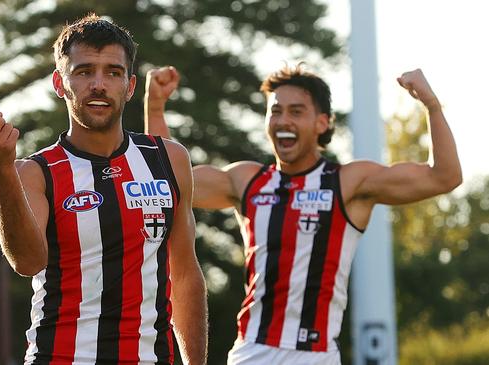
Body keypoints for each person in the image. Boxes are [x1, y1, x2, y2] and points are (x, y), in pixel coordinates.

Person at [144, 64, 462, 364]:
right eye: (276, 111)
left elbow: (444, 177)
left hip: (316, 354)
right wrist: (155, 108)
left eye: (296, 112)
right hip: (253, 352)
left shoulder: (348, 182)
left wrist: (432, 105)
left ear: (323, 122)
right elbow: (167, 181)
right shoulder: (246, 181)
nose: (284, 121)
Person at [0, 14, 208, 365]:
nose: (98, 85)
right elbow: (26, 261)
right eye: (84, 72)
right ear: (60, 83)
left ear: (130, 86)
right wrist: (0, 166)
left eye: (112, 73)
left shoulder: (169, 159)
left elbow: (186, 273)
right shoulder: (36, 172)